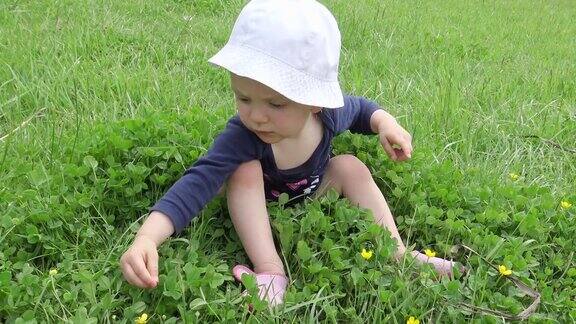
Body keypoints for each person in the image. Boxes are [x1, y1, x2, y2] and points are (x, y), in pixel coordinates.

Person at [120, 0, 459, 307]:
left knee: (350, 166)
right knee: (243, 170)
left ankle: (397, 252)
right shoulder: (243, 135)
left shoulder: (328, 115)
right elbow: (196, 184)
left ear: (314, 101)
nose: (256, 115)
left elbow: (361, 111)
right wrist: (147, 238)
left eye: (276, 103)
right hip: (257, 205)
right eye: (243, 98)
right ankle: (269, 269)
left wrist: (386, 123)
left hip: (313, 192)